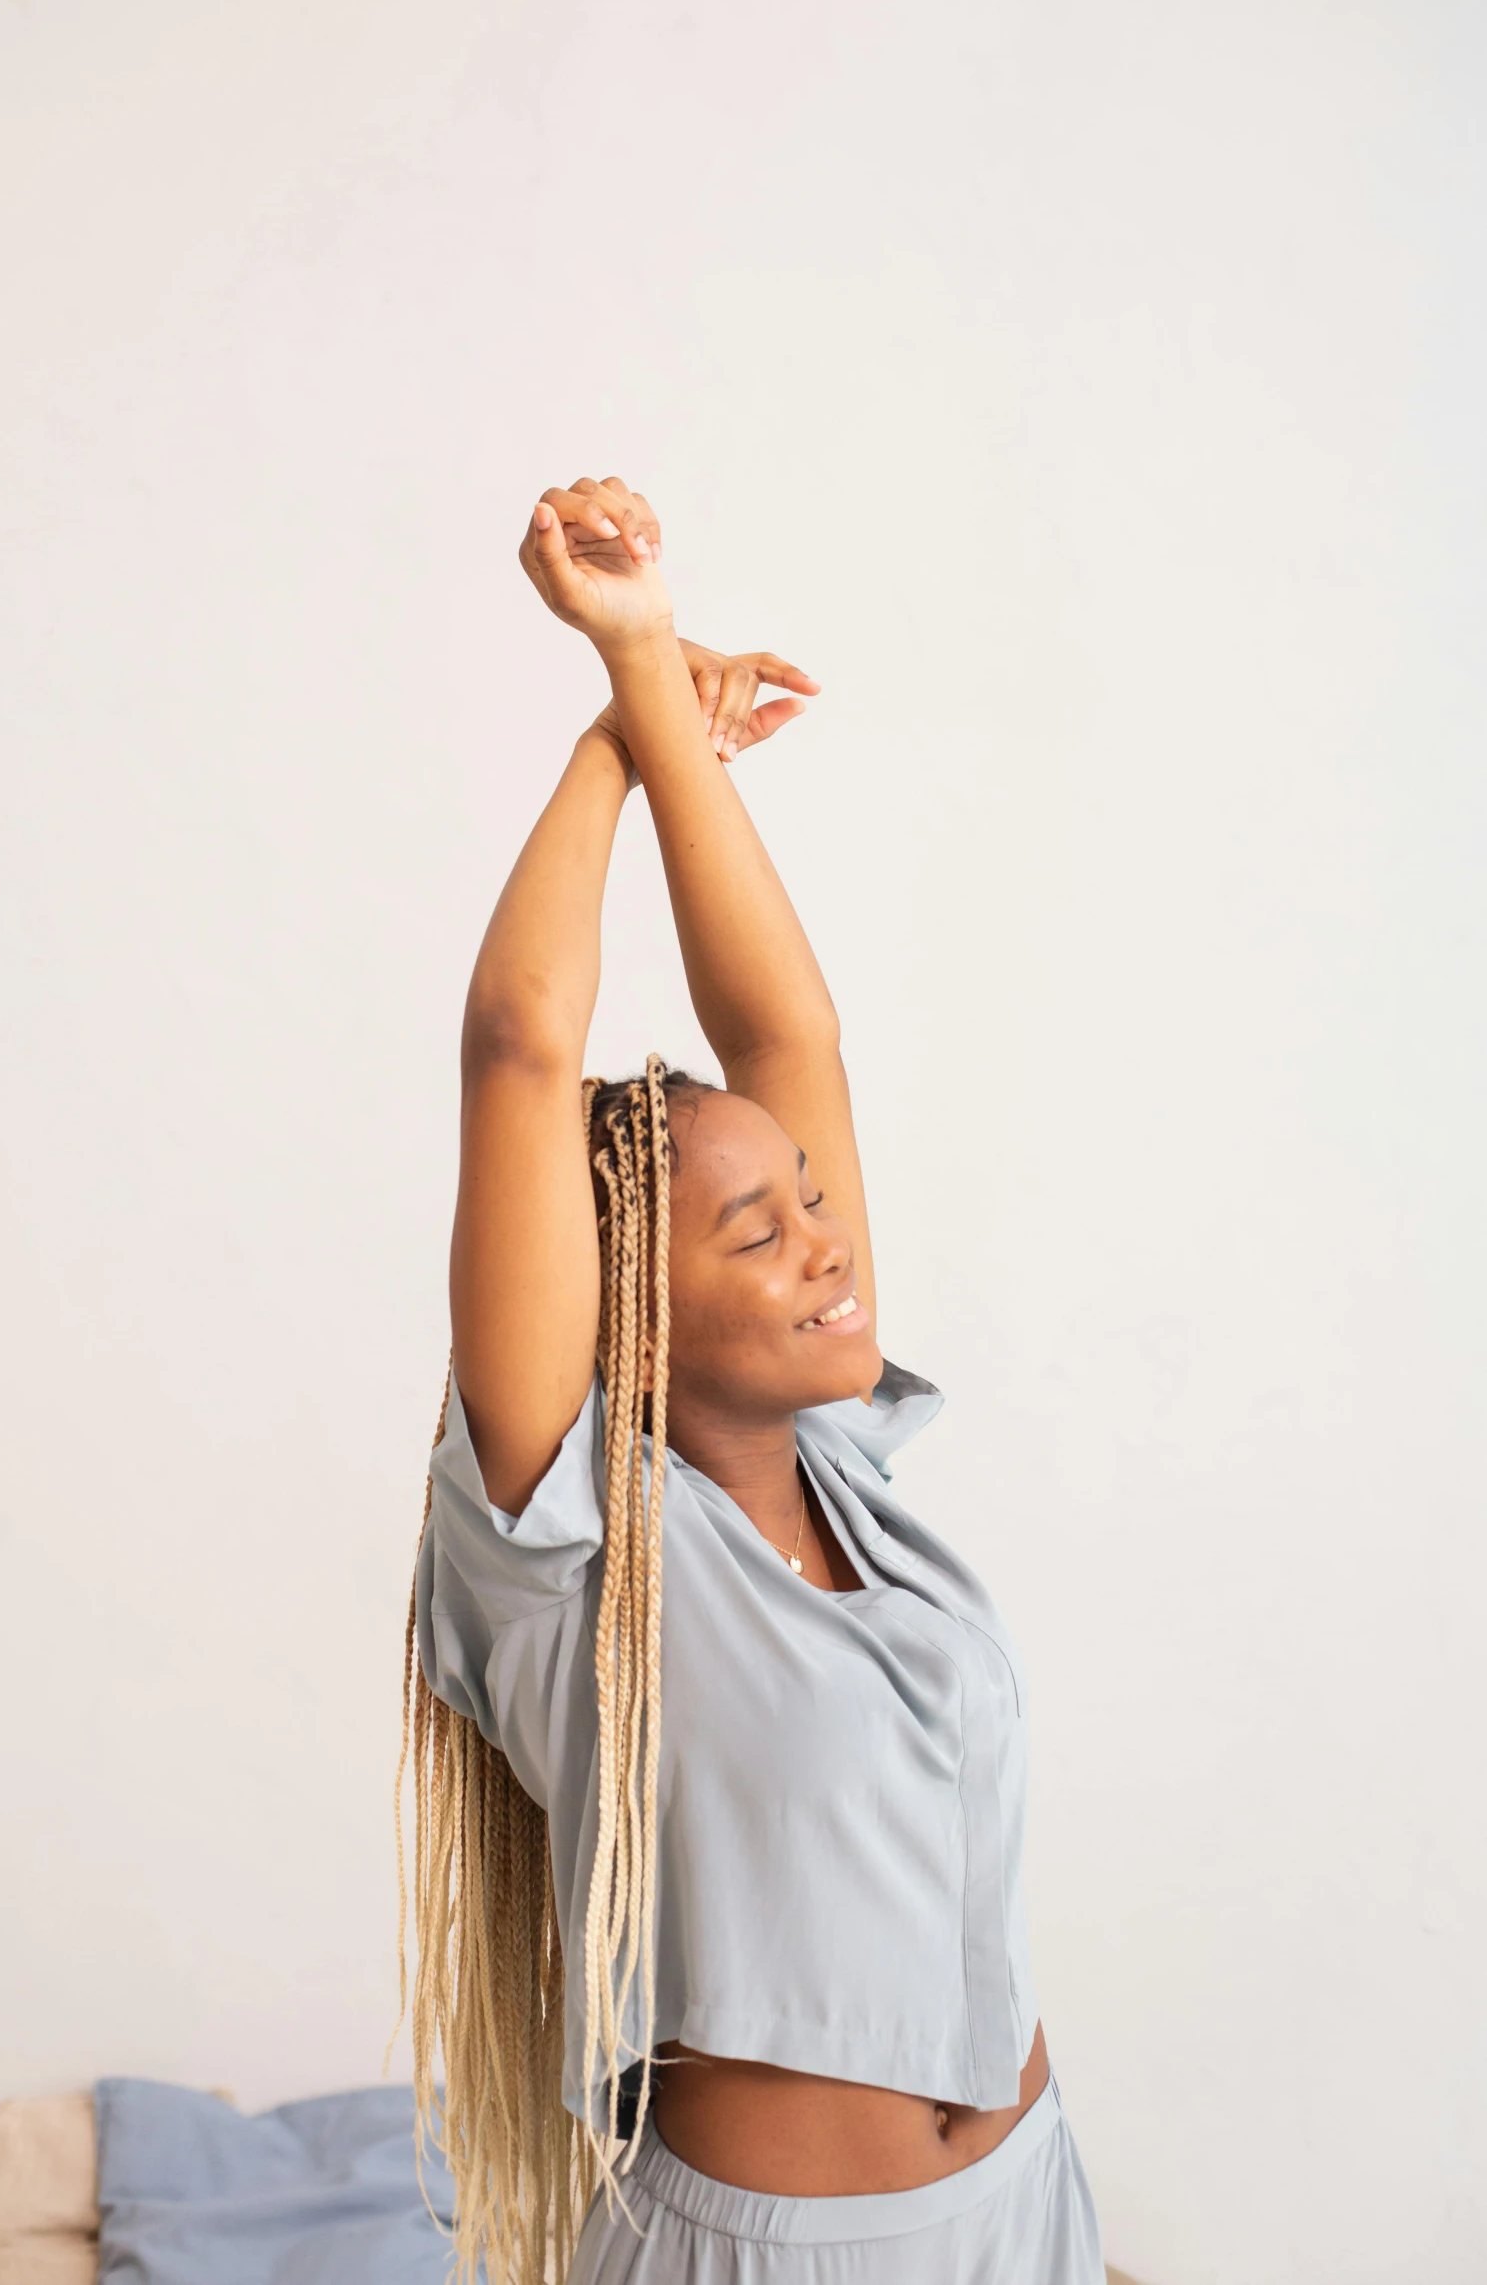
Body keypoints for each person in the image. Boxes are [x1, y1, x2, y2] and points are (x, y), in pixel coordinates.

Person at [395, 475, 1105, 2284]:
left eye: (806, 1196)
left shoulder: (850, 1475)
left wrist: (667, 704)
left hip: (1021, 2203)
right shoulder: (566, 1539)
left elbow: (786, 1036)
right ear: (630, 1326)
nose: (823, 1238)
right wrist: (616, 716)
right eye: (754, 1235)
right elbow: (516, 1043)